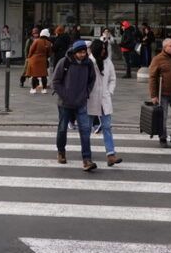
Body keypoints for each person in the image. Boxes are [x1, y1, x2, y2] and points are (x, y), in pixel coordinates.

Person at [51, 40, 98, 171]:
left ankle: (87, 159)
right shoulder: (64, 62)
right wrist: (65, 95)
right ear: (75, 52)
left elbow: (92, 80)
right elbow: (55, 82)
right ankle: (61, 152)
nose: (83, 54)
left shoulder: (89, 64)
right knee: (62, 128)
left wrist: (86, 93)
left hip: (81, 102)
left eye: (84, 52)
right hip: (65, 102)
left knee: (85, 130)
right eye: (80, 52)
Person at [86, 38, 122, 166]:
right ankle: (86, 155)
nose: (104, 51)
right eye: (101, 49)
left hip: (105, 98)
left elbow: (112, 78)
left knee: (107, 126)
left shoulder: (108, 62)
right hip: (91, 98)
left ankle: (111, 154)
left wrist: (109, 91)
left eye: (104, 49)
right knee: (87, 128)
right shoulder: (89, 62)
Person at [27, 28, 53, 94]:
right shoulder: (49, 43)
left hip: (34, 60)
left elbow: (31, 50)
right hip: (43, 60)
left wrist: (29, 57)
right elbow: (49, 53)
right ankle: (44, 89)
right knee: (44, 75)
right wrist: (45, 57)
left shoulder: (36, 41)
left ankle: (33, 89)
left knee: (34, 75)